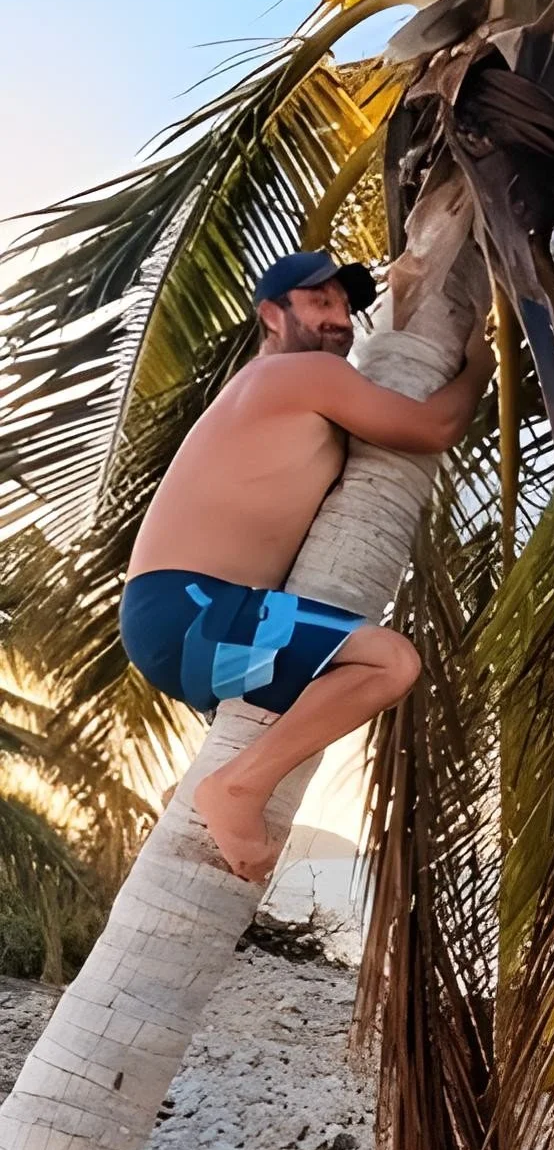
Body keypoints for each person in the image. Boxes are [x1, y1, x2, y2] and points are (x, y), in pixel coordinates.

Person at [120, 249, 494, 882]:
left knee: (326, 681)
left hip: (185, 616)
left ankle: (205, 791)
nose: (341, 320)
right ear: (273, 313)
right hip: (192, 608)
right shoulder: (302, 376)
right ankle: (236, 788)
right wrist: (482, 362)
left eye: (346, 306)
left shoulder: (265, 390)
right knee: (390, 661)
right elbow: (434, 426)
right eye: (320, 302)